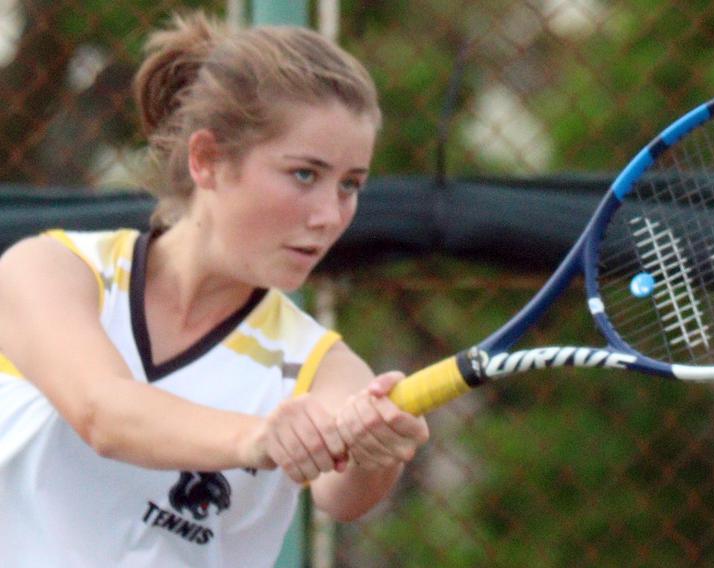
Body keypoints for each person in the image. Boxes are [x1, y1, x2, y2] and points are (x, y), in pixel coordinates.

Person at [0, 11, 428, 567]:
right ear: (207, 160)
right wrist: (260, 439)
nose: (330, 215)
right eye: (304, 174)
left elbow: (342, 496)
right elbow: (102, 412)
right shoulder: (51, 269)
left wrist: (374, 454)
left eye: (350, 185)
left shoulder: (320, 367)